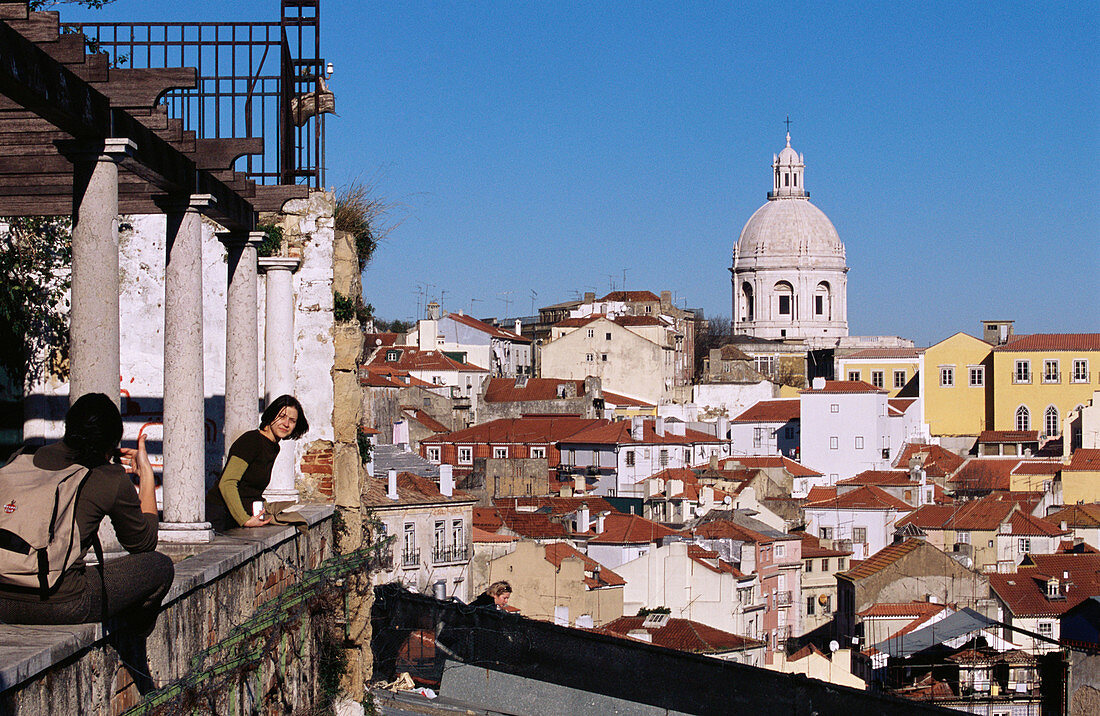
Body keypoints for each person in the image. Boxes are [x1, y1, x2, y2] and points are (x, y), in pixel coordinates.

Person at [0, 393, 174, 629]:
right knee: (160, 566)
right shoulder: (108, 476)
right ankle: (132, 638)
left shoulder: (21, 456)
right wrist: (146, 477)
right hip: (61, 602)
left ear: (68, 426)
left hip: (3, 598)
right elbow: (143, 544)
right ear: (112, 441)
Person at [205, 395, 308, 532]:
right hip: (220, 516)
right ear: (271, 415)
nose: (286, 424)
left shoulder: (272, 446)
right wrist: (244, 519)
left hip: (238, 517)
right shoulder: (251, 440)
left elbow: (250, 489)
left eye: (292, 420)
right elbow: (227, 482)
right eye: (282, 416)